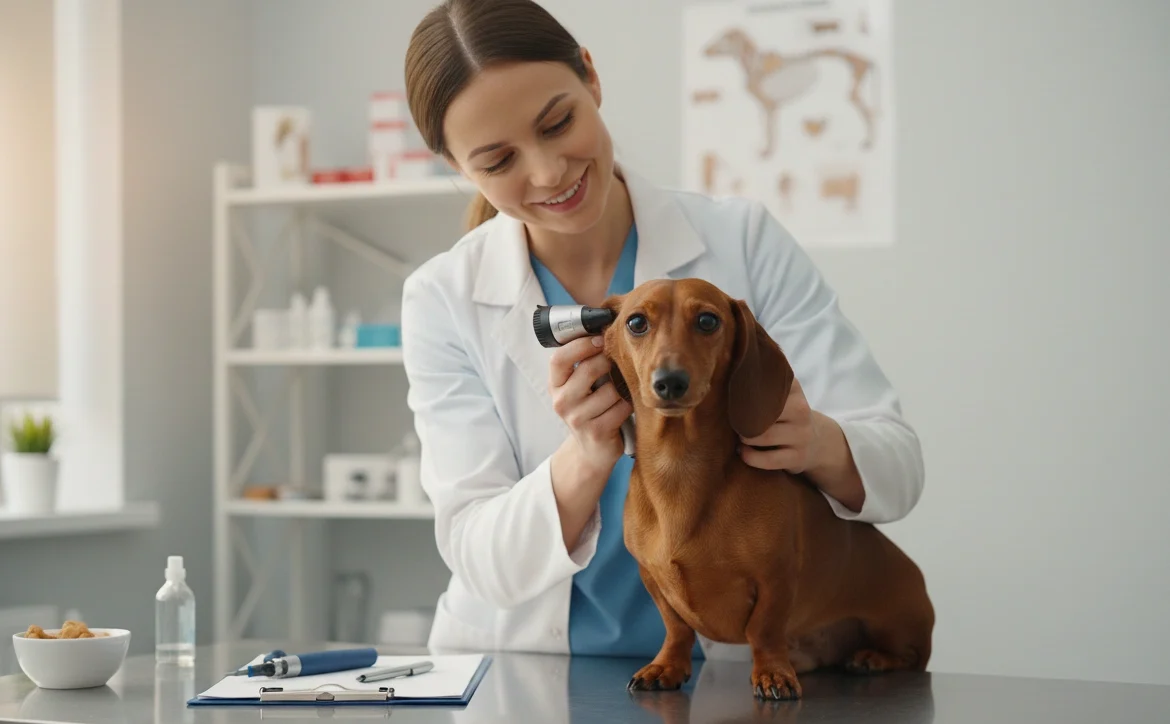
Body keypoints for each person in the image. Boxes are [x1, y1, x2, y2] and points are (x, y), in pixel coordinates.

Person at [399, 0, 924, 659]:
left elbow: (899, 468)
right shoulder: (441, 299)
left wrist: (814, 439)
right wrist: (584, 458)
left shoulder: (742, 241)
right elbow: (480, 557)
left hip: (729, 669)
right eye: (499, 161)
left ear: (590, 76)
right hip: (528, 667)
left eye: (558, 122)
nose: (548, 172)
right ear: (456, 166)